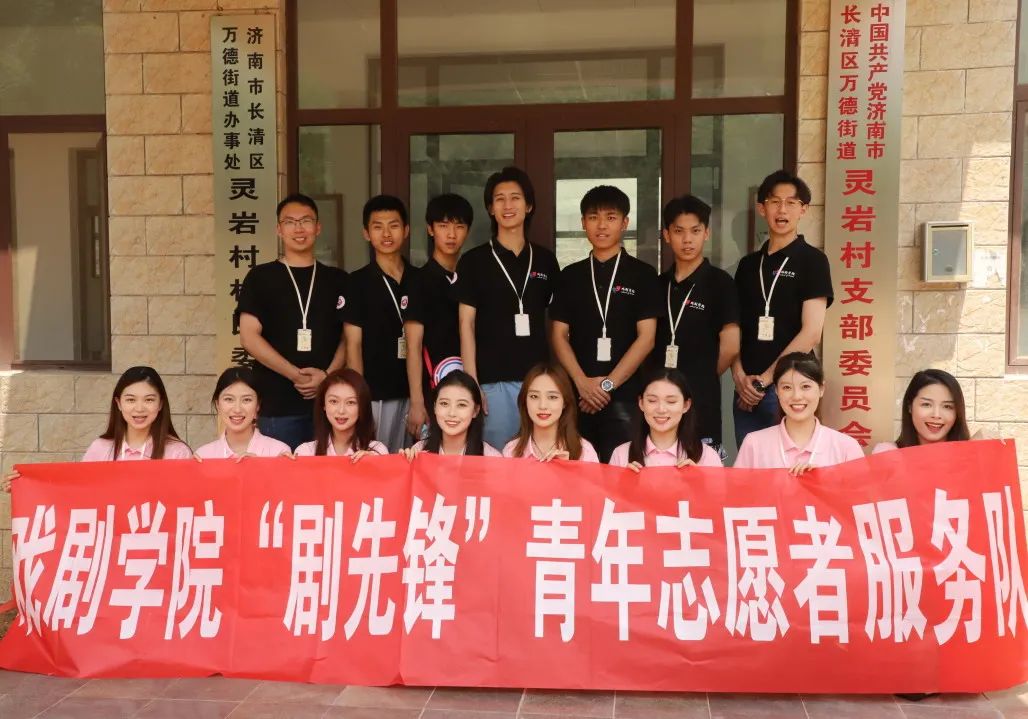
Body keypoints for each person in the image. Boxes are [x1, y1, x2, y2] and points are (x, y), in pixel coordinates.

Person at [551, 185, 658, 463]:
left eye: (610, 217)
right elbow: (559, 335)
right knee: (576, 473)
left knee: (622, 473)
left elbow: (647, 338)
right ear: (583, 223)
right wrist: (582, 383)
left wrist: (606, 386)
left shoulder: (643, 275)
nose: (601, 225)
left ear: (625, 223)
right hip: (577, 397)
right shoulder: (570, 276)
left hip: (625, 397)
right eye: (593, 217)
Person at [456, 167, 560, 450]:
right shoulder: (474, 261)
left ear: (529, 205)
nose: (508, 205)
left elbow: (556, 324)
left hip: (538, 383)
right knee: (497, 460)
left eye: (515, 198)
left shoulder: (545, 260)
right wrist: (472, 383)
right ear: (491, 208)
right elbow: (466, 324)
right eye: (499, 199)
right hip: (491, 381)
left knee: (537, 458)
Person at [238, 193, 349, 449]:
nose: (299, 229)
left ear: (318, 227)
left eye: (306, 221)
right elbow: (249, 337)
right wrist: (295, 375)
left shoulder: (338, 279)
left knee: (327, 471)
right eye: (290, 222)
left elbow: (348, 337)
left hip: (330, 404)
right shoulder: (260, 277)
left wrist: (327, 376)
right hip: (277, 403)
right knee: (281, 472)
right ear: (279, 229)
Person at [732, 170, 832, 447]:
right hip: (747, 392)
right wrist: (739, 377)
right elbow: (733, 328)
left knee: (792, 463)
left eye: (791, 202)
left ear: (803, 209)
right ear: (761, 208)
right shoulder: (748, 265)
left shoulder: (813, 261)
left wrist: (764, 381)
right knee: (752, 465)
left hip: (791, 388)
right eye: (774, 202)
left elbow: (811, 332)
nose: (782, 210)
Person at [652, 194, 740, 455]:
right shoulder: (657, 285)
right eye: (679, 231)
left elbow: (731, 345)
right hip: (658, 400)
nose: (687, 239)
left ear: (707, 233)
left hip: (701, 397)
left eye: (695, 231)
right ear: (667, 235)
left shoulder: (721, 283)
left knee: (702, 468)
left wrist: (702, 375)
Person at [345, 195, 419, 452]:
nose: (386, 234)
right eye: (378, 227)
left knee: (414, 461)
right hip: (375, 394)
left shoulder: (420, 279)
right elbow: (353, 345)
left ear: (406, 230)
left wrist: (419, 399)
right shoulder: (356, 283)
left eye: (394, 226)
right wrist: (359, 399)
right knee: (377, 459)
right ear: (366, 233)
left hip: (415, 393)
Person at [404, 193, 473, 441]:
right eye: (443, 226)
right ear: (430, 229)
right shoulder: (418, 281)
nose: (451, 234)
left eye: (459, 226)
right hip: (433, 390)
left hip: (468, 390)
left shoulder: (471, 277)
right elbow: (413, 345)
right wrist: (417, 402)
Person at [734, 352, 863, 474]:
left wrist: (823, 482)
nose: (796, 396)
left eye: (805, 387)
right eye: (787, 387)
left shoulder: (846, 447)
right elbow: (738, 490)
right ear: (777, 391)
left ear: (821, 389)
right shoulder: (754, 444)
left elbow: (862, 491)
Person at [609, 368, 723, 470]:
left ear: (686, 405)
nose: (661, 409)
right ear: (641, 403)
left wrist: (699, 481)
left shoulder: (707, 456)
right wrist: (624, 481)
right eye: (652, 400)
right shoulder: (621, 454)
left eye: (671, 401)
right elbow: (609, 489)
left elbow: (719, 488)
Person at [503, 363, 599, 462]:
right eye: (534, 396)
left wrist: (567, 468)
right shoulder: (511, 451)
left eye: (552, 397)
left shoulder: (585, 452)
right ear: (525, 401)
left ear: (565, 402)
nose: (542, 406)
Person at [193, 367, 292, 459]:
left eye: (246, 400)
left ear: (257, 405)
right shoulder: (204, 455)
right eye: (229, 399)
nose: (237, 409)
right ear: (218, 404)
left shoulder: (278, 452)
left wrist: (261, 468)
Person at [401, 370, 502, 459]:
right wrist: (406, 463)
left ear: (475, 410)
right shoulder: (419, 451)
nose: (452, 413)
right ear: (435, 407)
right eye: (444, 403)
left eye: (461, 405)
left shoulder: (492, 458)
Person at [295, 368, 388, 459]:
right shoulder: (306, 452)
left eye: (350, 402)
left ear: (362, 406)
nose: (341, 411)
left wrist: (373, 463)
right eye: (334, 401)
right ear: (324, 404)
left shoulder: (377, 451)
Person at [873, 369, 970, 453]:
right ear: (909, 406)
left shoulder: (970, 455)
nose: (936, 415)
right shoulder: (886, 453)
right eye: (926, 404)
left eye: (947, 406)